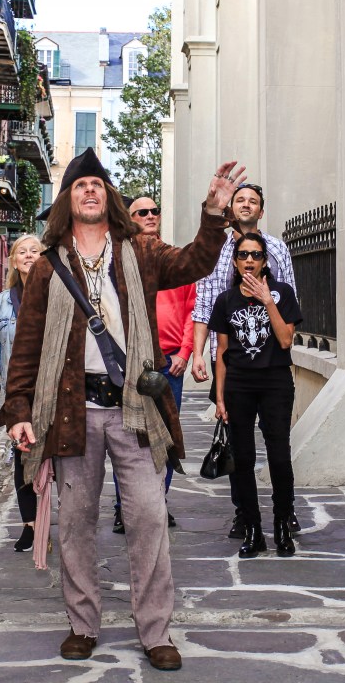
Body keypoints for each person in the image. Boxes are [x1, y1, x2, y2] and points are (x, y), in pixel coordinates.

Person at [0, 148, 243, 671]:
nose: (90, 190)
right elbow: (27, 344)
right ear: (68, 200)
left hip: (133, 408)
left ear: (110, 197)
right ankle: (82, 625)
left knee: (149, 517)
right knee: (78, 522)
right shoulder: (47, 267)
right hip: (70, 410)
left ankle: (155, 631)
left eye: (97, 184)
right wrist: (19, 407)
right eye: (80, 184)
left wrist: (215, 212)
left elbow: (196, 261)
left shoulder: (142, 253)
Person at [190, 183, 299, 539]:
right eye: (240, 200)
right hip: (232, 366)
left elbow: (287, 299)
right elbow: (206, 304)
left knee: (278, 448)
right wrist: (197, 354)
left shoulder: (279, 248)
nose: (246, 205)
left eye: (253, 201)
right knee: (238, 448)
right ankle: (244, 515)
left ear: (261, 211)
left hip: (271, 360)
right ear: (231, 209)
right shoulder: (216, 251)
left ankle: (287, 514)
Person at [208, 233, 303, 559]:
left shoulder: (283, 293)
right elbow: (222, 352)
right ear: (235, 261)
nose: (250, 260)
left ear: (265, 261)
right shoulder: (226, 300)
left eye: (256, 254)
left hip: (275, 382)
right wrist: (219, 398)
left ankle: (281, 524)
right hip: (238, 385)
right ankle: (252, 529)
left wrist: (268, 301)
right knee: (243, 460)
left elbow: (285, 339)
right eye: (244, 254)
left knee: (278, 455)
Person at [112, 196, 196, 534]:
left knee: (167, 439)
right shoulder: (120, 261)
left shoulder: (174, 260)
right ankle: (124, 508)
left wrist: (185, 352)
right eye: (141, 212)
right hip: (131, 364)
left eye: (154, 211)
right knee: (129, 438)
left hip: (170, 364)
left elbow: (194, 309)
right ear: (129, 219)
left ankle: (158, 502)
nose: (149, 215)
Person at [0, 235, 43, 552]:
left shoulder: (56, 295)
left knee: (56, 459)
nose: (29, 255)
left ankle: (52, 519)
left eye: (35, 251)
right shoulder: (2, 302)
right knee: (23, 458)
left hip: (50, 391)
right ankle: (30, 525)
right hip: (17, 393)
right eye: (23, 251)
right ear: (14, 260)